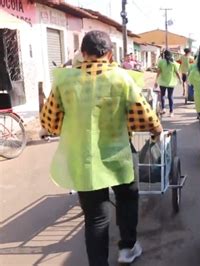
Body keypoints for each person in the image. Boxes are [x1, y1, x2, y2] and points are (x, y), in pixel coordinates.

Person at [40, 30, 163, 265]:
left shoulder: (64, 81)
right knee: (128, 199)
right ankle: (127, 248)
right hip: (118, 155)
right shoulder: (121, 78)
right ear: (108, 54)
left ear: (83, 53)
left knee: (95, 218)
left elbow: (51, 122)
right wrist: (156, 130)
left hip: (85, 159)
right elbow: (144, 115)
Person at [155, 50, 181, 117]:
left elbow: (158, 72)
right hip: (171, 82)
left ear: (164, 55)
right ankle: (171, 112)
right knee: (170, 96)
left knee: (162, 95)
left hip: (162, 81)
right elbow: (177, 72)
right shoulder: (173, 63)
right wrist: (180, 79)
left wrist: (156, 81)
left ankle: (163, 108)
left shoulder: (161, 62)